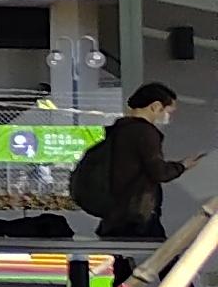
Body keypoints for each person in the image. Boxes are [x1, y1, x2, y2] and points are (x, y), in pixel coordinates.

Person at [74, 81, 189, 262]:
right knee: (164, 259)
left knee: (125, 261)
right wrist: (182, 166)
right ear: (155, 106)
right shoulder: (145, 132)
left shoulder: (119, 130)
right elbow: (158, 172)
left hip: (117, 210)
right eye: (167, 111)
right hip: (137, 209)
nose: (167, 117)